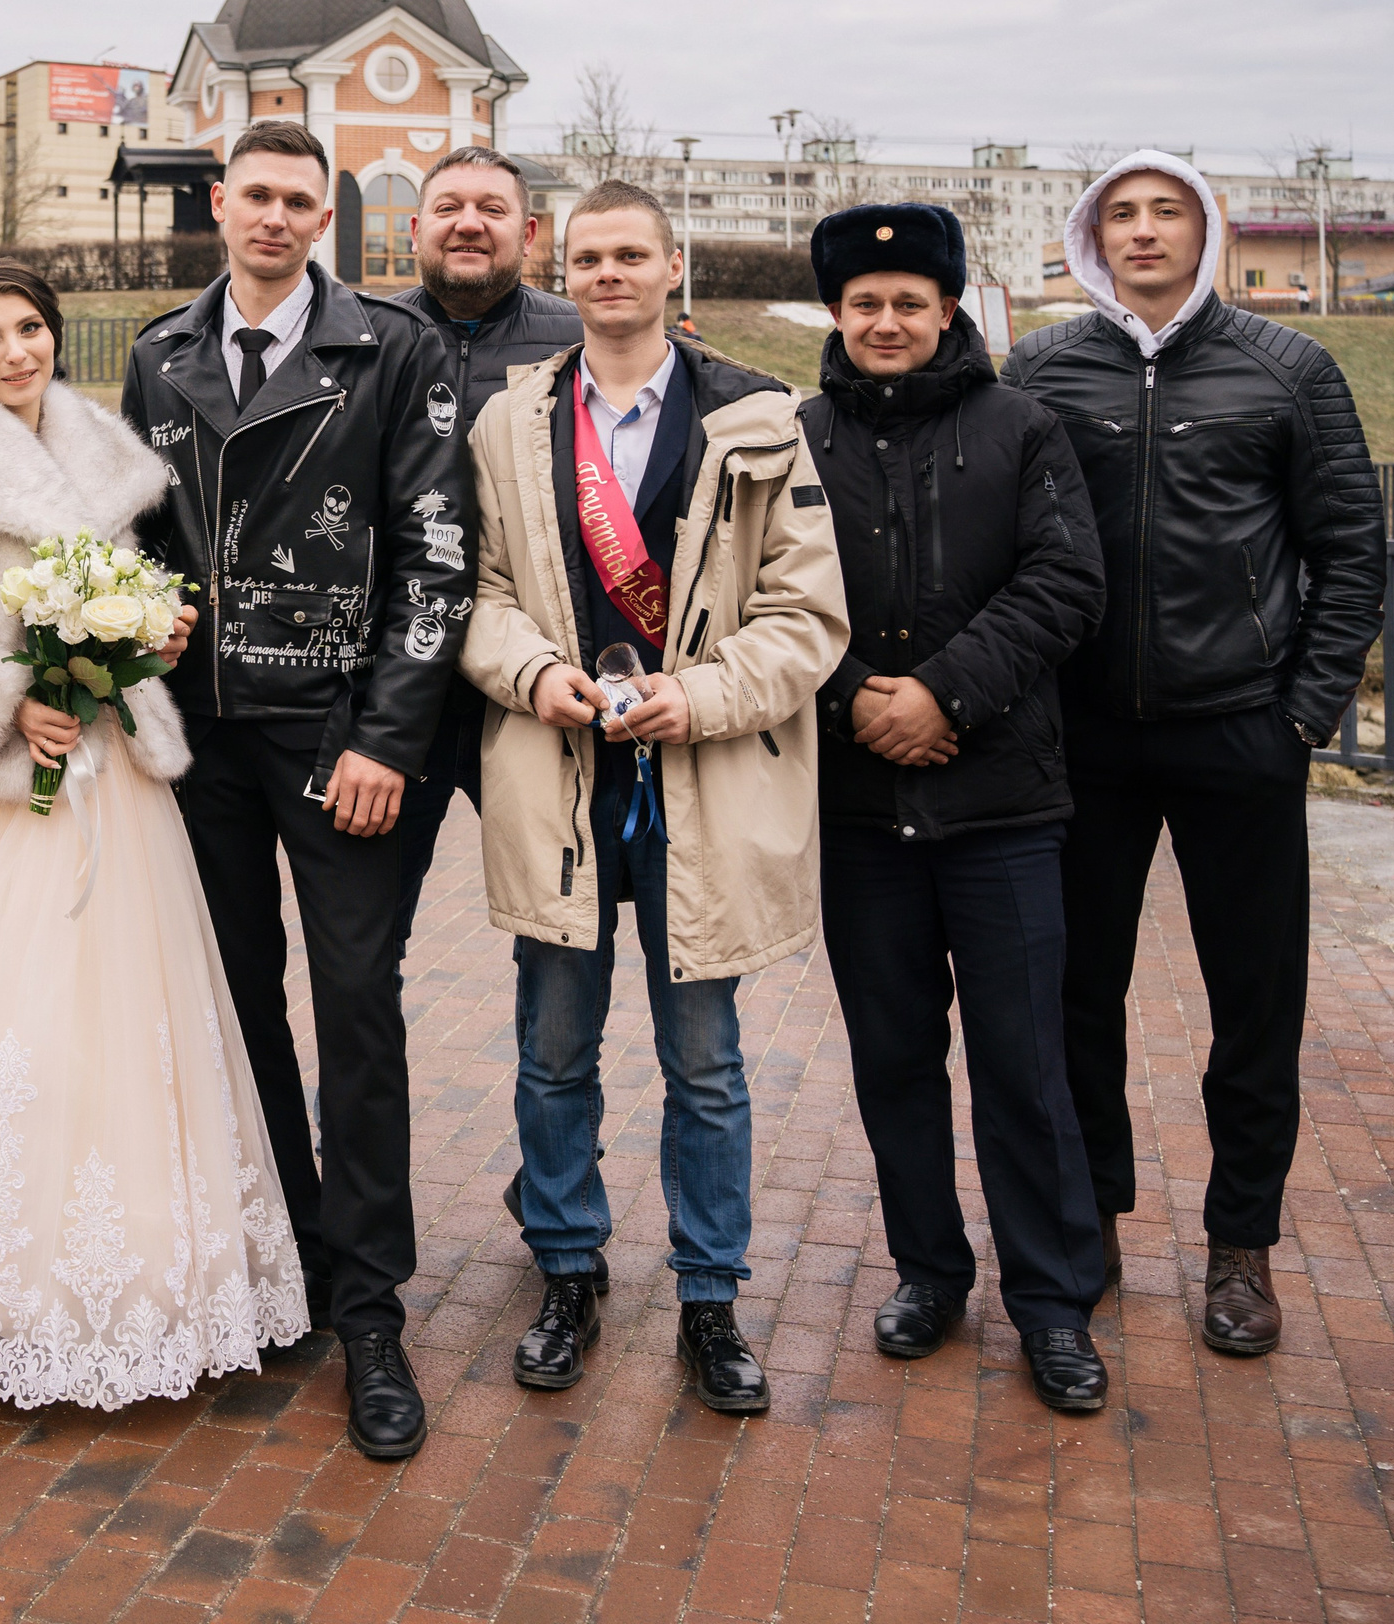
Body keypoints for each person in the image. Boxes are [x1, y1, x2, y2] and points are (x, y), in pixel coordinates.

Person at [0, 259, 306, 1411]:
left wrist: (150, 630)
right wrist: (2, 701)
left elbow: (148, 586)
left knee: (123, 1027)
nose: (14, 352)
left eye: (29, 328)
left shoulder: (108, 448)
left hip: (116, 784)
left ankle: (137, 1274)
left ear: (55, 338)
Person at [460, 179, 846, 1412]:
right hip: (561, 777)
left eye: (632, 254)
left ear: (673, 270)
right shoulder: (508, 422)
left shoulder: (761, 419)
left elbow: (806, 612)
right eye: (588, 256)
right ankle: (566, 1271)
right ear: (559, 268)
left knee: (707, 1065)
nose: (609, 274)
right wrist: (532, 673)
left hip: (702, 782)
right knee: (553, 1052)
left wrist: (708, 694)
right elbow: (479, 592)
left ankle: (709, 1297)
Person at [122, 120, 470, 1460]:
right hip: (201, 740)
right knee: (234, 1003)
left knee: (358, 1006)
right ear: (220, 204)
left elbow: (438, 555)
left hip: (336, 736)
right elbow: (136, 533)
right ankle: (292, 1248)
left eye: (297, 199)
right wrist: (135, 623)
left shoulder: (394, 347)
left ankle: (372, 1304)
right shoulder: (159, 354)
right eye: (253, 195)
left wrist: (388, 736)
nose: (273, 216)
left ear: (326, 215)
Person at [1004, 154, 1383, 1357]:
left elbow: (1349, 553)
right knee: (1076, 1001)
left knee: (1254, 1006)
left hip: (1240, 734)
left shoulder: (1287, 370)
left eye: (1168, 211)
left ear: (1205, 228)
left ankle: (1239, 1249)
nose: (1145, 231)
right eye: (1123, 213)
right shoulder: (1044, 370)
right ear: (1091, 236)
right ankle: (1093, 1226)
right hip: (1084, 741)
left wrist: (1300, 717)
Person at [798, 204, 1113, 1412]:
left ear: (950, 313)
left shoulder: (1022, 427)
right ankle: (927, 1270)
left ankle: (1051, 1301)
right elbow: (758, 601)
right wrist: (850, 701)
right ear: (838, 314)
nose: (887, 322)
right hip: (860, 816)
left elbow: (1064, 581)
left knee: (1025, 1067)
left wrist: (944, 693)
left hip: (1002, 810)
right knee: (894, 1062)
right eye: (865, 302)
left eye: (910, 303)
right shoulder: (794, 438)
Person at [383, 148, 584, 997]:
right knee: (365, 936)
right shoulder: (366, 334)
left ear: (529, 231)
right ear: (417, 226)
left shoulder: (579, 338)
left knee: (560, 935)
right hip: (402, 690)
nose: (470, 223)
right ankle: (355, 1131)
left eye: (493, 209)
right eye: (451, 206)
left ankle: (564, 1128)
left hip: (533, 684)